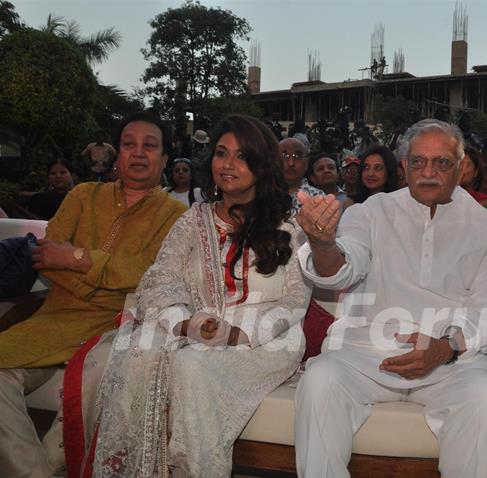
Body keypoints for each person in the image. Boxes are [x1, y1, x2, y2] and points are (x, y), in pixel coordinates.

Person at [89, 114, 313, 477]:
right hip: (197, 330)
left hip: (268, 340)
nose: (228, 165)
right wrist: (184, 323)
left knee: (191, 367)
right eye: (221, 153)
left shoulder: (288, 226)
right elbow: (162, 277)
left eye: (241, 156)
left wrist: (237, 334)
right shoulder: (194, 220)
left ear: (261, 164)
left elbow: (294, 302)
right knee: (140, 356)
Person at [293, 118, 487, 478]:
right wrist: (321, 242)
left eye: (442, 163)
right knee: (320, 381)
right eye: (418, 162)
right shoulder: (370, 212)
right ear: (404, 167)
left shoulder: (486, 228)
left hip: (452, 363)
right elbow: (343, 267)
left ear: (460, 168)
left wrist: (445, 348)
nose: (428, 172)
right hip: (366, 354)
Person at [0, 111, 187, 477]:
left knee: (101, 375)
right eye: (128, 144)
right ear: (116, 154)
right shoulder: (83, 195)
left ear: (165, 159)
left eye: (149, 146)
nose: (137, 153)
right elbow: (46, 259)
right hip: (55, 318)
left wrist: (77, 258)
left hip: (116, 327)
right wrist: (97, 274)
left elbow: (147, 275)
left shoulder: (175, 215)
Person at [279, 137, 324, 211]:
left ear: (306, 163)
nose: (291, 163)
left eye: (298, 156)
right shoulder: (261, 195)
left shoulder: (319, 198)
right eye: (284, 156)